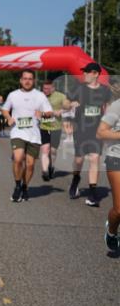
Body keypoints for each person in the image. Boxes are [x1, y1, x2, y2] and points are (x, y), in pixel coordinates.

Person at [2, 70, 55, 202]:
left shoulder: (40, 95)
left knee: (30, 165)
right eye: (25, 78)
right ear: (20, 80)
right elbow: (4, 109)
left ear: (34, 81)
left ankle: (25, 187)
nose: (27, 81)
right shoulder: (13, 95)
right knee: (18, 158)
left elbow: (49, 112)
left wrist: (42, 114)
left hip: (34, 135)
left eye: (30, 79)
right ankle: (17, 185)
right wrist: (8, 117)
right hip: (17, 132)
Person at [65, 62, 112, 207]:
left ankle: (92, 193)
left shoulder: (105, 90)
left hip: (97, 131)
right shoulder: (78, 88)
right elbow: (65, 102)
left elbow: (109, 109)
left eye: (87, 72)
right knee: (79, 161)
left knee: (94, 158)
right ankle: (76, 179)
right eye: (84, 71)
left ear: (96, 74)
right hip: (81, 129)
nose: (84, 74)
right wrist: (71, 105)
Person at [96, 97, 120, 252]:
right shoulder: (117, 106)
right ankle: (111, 232)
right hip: (117, 157)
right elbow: (101, 132)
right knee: (119, 210)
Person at [39, 79, 66, 181]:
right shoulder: (40, 96)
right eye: (44, 88)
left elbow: (68, 106)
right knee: (45, 149)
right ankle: (45, 171)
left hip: (56, 127)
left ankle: (52, 166)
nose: (45, 90)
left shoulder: (60, 96)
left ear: (53, 88)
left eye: (47, 88)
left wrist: (61, 110)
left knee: (53, 151)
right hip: (44, 127)